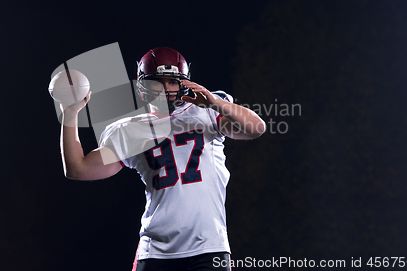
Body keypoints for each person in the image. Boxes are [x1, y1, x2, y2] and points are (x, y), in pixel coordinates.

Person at [60, 47, 266, 271]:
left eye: (172, 81)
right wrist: (70, 115)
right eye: (156, 82)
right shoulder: (129, 129)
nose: (165, 88)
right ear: (142, 87)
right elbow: (78, 169)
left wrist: (216, 104)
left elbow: (257, 128)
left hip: (209, 248)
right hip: (155, 251)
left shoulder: (207, 110)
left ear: (184, 83)